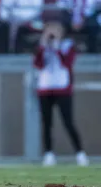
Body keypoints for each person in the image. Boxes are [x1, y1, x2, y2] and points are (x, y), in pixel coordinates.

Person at [33, 22, 88, 167]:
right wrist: (44, 46)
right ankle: (49, 153)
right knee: (46, 123)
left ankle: (80, 153)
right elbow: (38, 64)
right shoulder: (42, 46)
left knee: (68, 122)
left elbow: (67, 63)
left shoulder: (67, 45)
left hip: (62, 88)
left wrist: (56, 46)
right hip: (45, 88)